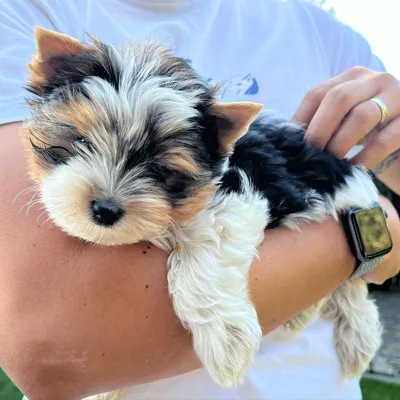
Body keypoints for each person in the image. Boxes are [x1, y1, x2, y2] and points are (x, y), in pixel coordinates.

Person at [0, 0, 399, 399]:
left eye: (161, 172)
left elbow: (389, 253)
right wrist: (369, 233)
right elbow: (52, 354)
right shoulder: (22, 12)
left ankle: (349, 304)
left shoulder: (323, 31)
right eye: (83, 144)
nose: (110, 193)